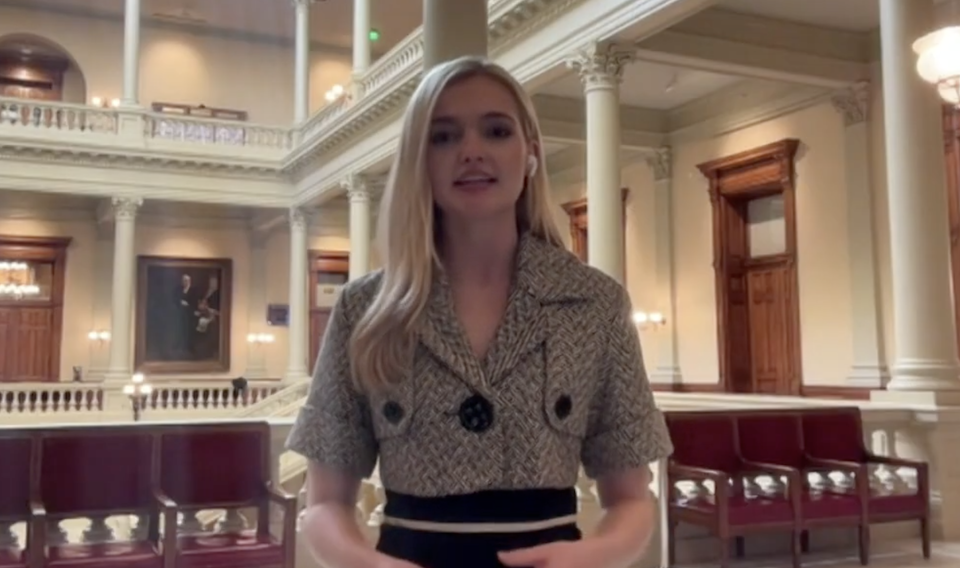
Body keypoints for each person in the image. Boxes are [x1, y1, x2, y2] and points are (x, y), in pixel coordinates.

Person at [285, 55, 674, 568]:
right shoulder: (366, 310)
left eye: (495, 131)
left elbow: (631, 498)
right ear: (418, 159)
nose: (471, 151)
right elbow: (325, 504)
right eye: (443, 137)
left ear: (531, 153)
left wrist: (595, 555)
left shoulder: (594, 303)